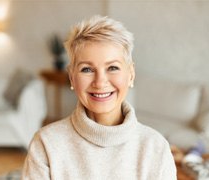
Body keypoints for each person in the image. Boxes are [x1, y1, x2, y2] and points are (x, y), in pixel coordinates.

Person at [22, 15, 177, 179]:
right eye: (87, 69)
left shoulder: (156, 147)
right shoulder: (46, 144)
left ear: (131, 74)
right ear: (72, 77)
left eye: (113, 67)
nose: (100, 82)